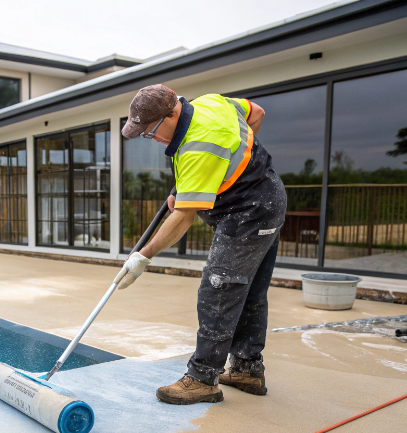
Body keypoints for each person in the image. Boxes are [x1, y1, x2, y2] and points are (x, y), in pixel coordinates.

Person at [119, 84, 287, 405]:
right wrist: (226, 165)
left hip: (248, 211)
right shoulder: (209, 103)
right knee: (249, 291)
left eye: (151, 131)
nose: (151, 138)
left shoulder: (199, 146)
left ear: (172, 114)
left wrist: (143, 255)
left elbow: (183, 219)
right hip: (267, 198)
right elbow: (257, 113)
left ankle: (202, 378)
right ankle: (247, 369)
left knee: (218, 290)